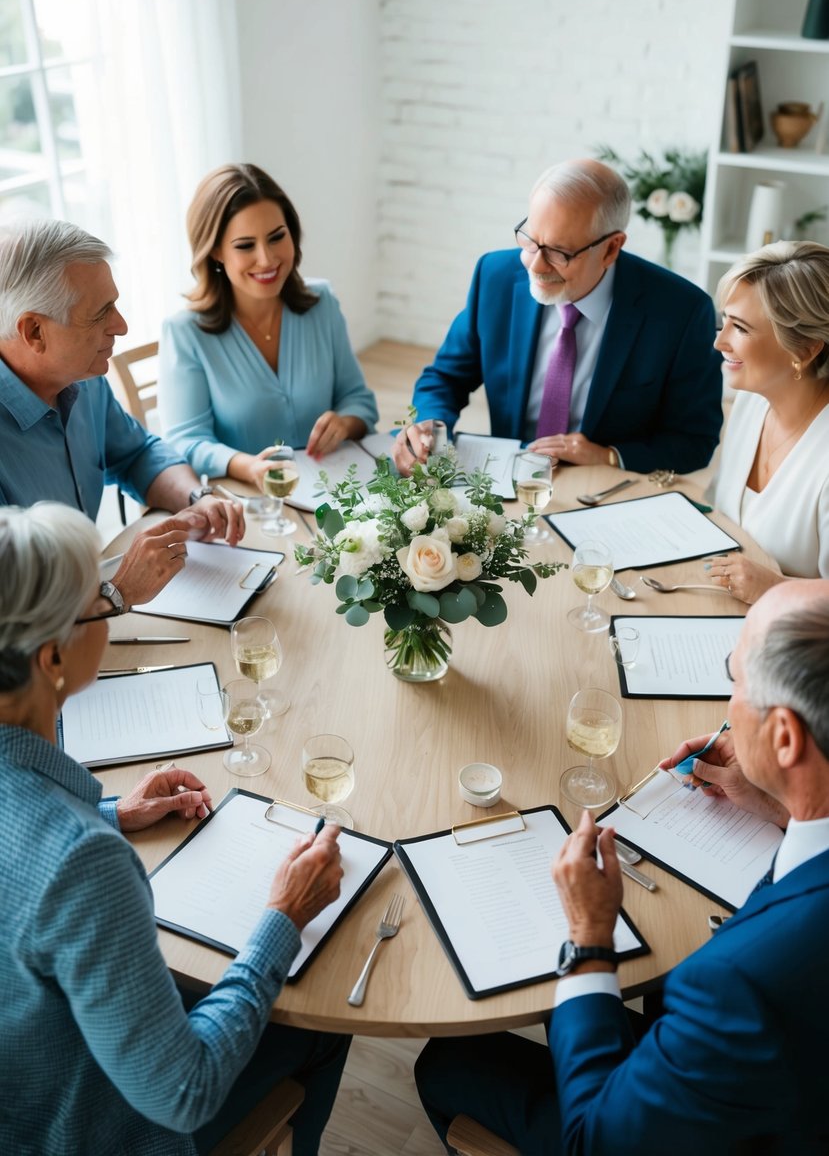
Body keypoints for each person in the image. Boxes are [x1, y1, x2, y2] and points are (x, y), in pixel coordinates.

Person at [415, 577, 829, 1155]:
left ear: (785, 735)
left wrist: (589, 939)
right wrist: (785, 800)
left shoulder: (740, 985)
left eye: (734, 680)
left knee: (447, 1064)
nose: (727, 707)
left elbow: (596, 1142)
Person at [0, 501, 350, 1156]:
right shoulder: (80, 864)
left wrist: (111, 813)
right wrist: (283, 917)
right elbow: (183, 1090)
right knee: (322, 1030)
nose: (114, 607)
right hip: (83, 1132)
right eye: (102, 602)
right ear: (52, 658)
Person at [392, 158, 722, 477]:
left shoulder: (682, 313)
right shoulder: (495, 277)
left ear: (611, 249)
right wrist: (427, 427)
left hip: (603, 486)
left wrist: (607, 455)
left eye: (559, 252)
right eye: (531, 241)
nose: (535, 266)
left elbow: (695, 440)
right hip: (505, 481)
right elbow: (446, 377)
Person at [0, 219, 245, 613]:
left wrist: (195, 497)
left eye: (114, 304)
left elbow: (136, 454)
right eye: (100, 314)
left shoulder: (84, 379)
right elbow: (13, 617)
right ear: (34, 332)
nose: (123, 326)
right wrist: (116, 594)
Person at [159, 162, 379, 488]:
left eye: (277, 237)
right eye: (245, 245)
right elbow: (184, 441)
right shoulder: (185, 333)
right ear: (216, 251)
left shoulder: (322, 303)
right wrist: (245, 466)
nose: (267, 259)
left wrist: (345, 423)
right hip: (249, 505)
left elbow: (359, 399)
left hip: (340, 492)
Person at [703, 241, 829, 604]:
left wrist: (775, 589)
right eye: (723, 321)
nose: (720, 342)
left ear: (804, 349)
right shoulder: (751, 402)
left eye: (740, 328)